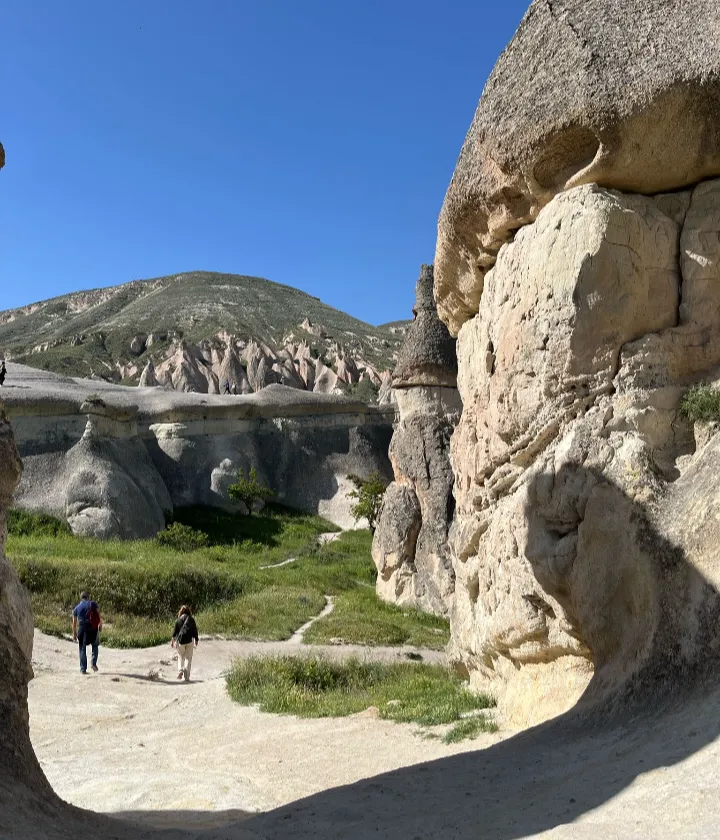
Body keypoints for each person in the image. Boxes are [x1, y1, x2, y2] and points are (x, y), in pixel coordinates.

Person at [72, 591, 102, 674]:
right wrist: (100, 626)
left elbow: (74, 623)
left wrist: (74, 633)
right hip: (93, 628)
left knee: (82, 648)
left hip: (82, 629)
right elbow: (99, 616)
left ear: (81, 598)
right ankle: (93, 663)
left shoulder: (77, 608)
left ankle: (83, 669)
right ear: (88, 597)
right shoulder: (93, 604)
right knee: (95, 645)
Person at [171, 605, 199, 681]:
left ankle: (180, 670)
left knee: (180, 657)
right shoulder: (191, 619)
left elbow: (175, 632)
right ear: (189, 611)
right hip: (189, 641)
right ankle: (186, 677)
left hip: (181, 642)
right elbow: (195, 630)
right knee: (188, 658)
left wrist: (172, 641)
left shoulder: (178, 620)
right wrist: (196, 639)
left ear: (181, 612)